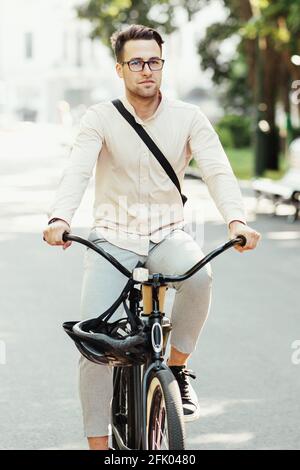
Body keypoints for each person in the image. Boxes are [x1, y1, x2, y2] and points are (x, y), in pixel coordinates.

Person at [43, 24, 261, 450]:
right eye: (137, 63)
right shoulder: (100, 118)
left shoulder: (188, 117)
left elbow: (217, 169)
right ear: (120, 69)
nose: (147, 70)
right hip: (112, 240)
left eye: (155, 62)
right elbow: (78, 171)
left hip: (166, 234)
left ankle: (176, 369)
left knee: (200, 278)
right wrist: (59, 218)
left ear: (163, 65)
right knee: (93, 343)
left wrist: (236, 220)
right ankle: (99, 448)